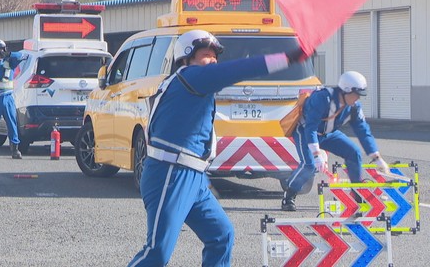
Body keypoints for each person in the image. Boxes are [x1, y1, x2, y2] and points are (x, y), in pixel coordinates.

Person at [128, 30, 306, 267]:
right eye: (205, 54)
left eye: (214, 56)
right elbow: (240, 69)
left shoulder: (194, 82)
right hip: (169, 173)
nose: (212, 60)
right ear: (187, 56)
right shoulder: (192, 76)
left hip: (193, 176)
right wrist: (285, 58)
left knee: (221, 235)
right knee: (157, 253)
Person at [281, 71, 390, 211]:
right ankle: (289, 194)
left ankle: (356, 191)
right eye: (356, 94)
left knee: (354, 152)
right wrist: (316, 154)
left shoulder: (354, 107)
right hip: (305, 130)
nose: (357, 98)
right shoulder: (322, 98)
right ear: (346, 90)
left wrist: (376, 156)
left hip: (328, 133)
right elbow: (311, 127)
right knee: (309, 166)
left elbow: (363, 132)